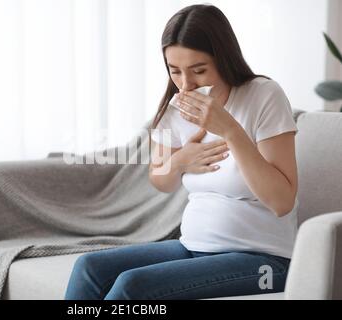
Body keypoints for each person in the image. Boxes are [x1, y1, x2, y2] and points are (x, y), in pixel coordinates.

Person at [64, 4, 298, 300]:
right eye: (175, 71)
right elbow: (160, 179)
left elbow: (282, 201)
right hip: (193, 246)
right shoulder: (174, 109)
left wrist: (230, 131)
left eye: (199, 71)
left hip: (265, 261)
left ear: (224, 59)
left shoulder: (265, 95)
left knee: (133, 287)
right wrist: (179, 161)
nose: (186, 84)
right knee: (89, 267)